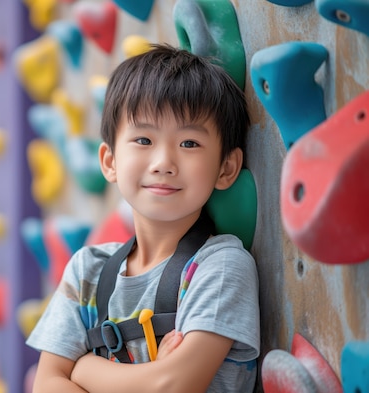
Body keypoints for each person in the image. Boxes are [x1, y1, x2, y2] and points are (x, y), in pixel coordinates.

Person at [26, 43, 260, 393]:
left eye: (190, 144)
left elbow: (170, 385)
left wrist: (85, 370)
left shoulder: (221, 266)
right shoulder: (87, 271)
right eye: (144, 139)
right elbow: (46, 385)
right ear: (109, 162)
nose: (163, 162)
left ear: (226, 168)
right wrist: (152, 373)